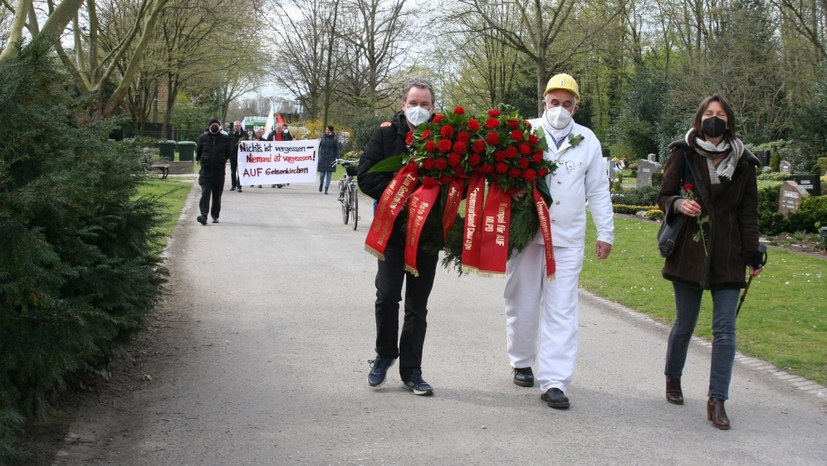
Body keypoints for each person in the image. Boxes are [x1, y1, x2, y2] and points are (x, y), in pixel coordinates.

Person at [504, 73, 614, 410]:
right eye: (555, 102)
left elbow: (597, 189)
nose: (560, 109)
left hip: (567, 239)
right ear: (545, 102)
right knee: (521, 300)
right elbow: (502, 176)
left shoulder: (588, 140)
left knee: (562, 310)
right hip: (527, 234)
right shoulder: (525, 132)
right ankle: (522, 360)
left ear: (576, 106)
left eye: (568, 104)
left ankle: (554, 381)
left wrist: (605, 232)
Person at [658, 94, 764, 430]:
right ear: (699, 119)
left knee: (725, 330)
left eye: (720, 114)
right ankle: (673, 378)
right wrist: (677, 205)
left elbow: (748, 212)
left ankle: (717, 399)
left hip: (728, 254)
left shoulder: (745, 162)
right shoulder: (683, 153)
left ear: (729, 121)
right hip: (689, 250)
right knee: (685, 324)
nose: (714, 119)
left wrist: (752, 253)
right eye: (708, 113)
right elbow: (664, 195)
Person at [357, 79, 439, 396]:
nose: (419, 109)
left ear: (433, 108)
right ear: (403, 104)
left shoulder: (443, 139)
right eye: (413, 103)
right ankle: (384, 354)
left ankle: (412, 371)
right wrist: (399, 198)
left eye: (425, 104)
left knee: (418, 305)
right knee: (387, 295)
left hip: (427, 235)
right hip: (391, 229)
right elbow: (365, 175)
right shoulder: (386, 134)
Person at [195, 118, 232, 225]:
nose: (214, 126)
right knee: (205, 193)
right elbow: (199, 151)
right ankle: (203, 216)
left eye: (216, 125)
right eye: (213, 125)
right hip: (206, 171)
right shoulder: (203, 138)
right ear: (209, 126)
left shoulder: (225, 138)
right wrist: (200, 159)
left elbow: (228, 153)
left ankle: (215, 215)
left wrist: (222, 160)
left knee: (217, 195)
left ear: (219, 126)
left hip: (219, 172)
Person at [317, 125, 339, 194]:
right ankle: (321, 183)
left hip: (331, 159)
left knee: (329, 174)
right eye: (326, 129)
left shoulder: (334, 139)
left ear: (330, 131)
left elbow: (336, 149)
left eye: (327, 129)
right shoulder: (322, 137)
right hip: (322, 158)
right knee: (322, 175)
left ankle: (326, 188)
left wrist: (338, 157)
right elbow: (317, 146)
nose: (326, 130)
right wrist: (318, 141)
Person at [228, 121, 244, 192]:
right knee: (232, 172)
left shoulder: (244, 134)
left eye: (237, 126)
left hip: (241, 156)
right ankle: (233, 185)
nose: (236, 127)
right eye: (235, 126)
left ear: (240, 126)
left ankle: (239, 186)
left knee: (240, 172)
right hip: (232, 156)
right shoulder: (230, 134)